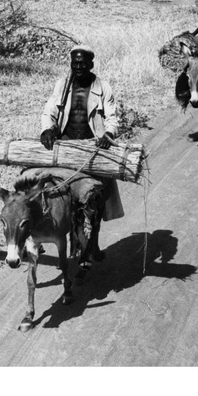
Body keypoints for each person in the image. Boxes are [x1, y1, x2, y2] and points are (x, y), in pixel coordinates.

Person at [35, 44, 124, 267]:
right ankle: (38, 232)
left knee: (95, 198)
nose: (78, 67)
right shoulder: (62, 85)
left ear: (91, 64)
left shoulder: (103, 87)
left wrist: (109, 134)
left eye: (83, 63)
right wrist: (47, 129)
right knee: (40, 185)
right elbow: (50, 111)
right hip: (65, 146)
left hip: (93, 149)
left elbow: (112, 117)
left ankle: (90, 243)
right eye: (74, 63)